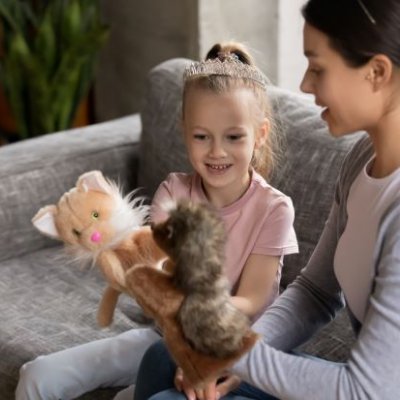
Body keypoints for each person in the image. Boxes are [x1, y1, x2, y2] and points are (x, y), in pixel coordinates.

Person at [135, 0, 400, 399]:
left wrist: (234, 354)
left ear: (377, 71)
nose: (305, 84)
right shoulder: (362, 159)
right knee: (161, 359)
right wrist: (236, 355)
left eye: (318, 67)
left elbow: (364, 390)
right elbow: (315, 290)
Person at [15, 41, 298, 400]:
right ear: (184, 132)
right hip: (166, 335)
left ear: (260, 134)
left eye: (233, 137)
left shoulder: (274, 209)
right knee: (37, 375)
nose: (216, 151)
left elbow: (253, 300)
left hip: (233, 347)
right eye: (201, 136)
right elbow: (157, 267)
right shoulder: (174, 192)